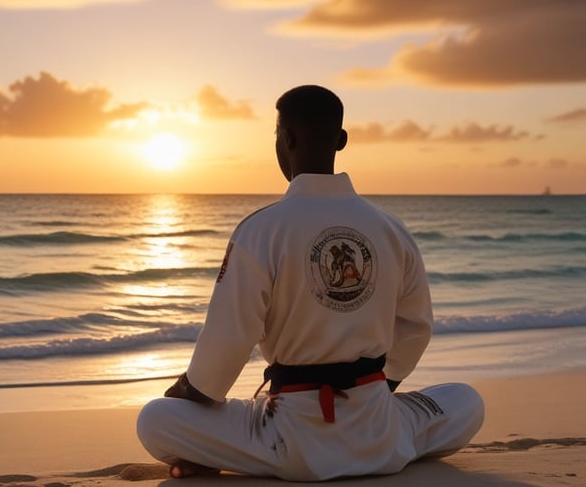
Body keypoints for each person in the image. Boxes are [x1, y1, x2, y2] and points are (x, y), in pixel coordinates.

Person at [136, 85, 484, 481]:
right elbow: (416, 327)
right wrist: (376, 393)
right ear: (341, 140)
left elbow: (229, 339)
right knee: (466, 400)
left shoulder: (261, 230)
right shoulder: (390, 228)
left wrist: (190, 393)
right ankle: (386, 447)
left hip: (289, 441)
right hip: (379, 432)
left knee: (155, 419)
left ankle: (223, 455)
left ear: (285, 139)